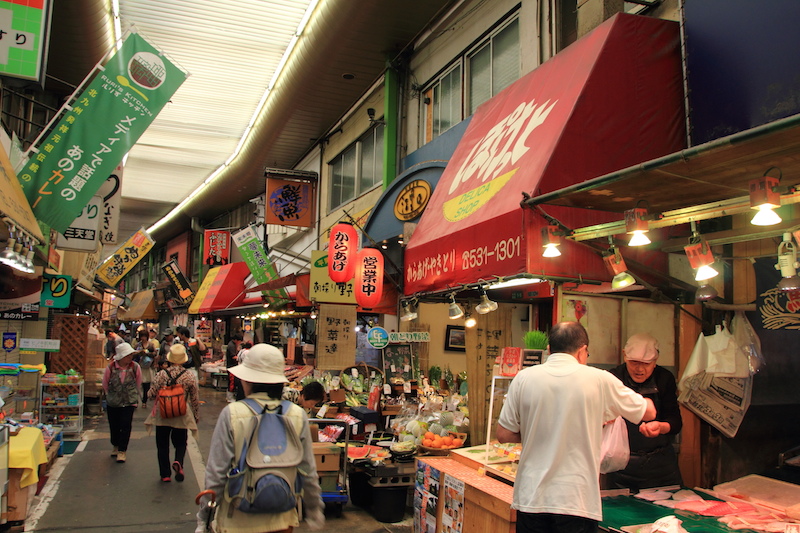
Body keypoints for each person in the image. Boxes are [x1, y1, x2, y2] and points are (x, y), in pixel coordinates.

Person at [496, 322, 656, 533]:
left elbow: (503, 434)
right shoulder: (600, 379)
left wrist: (539, 429)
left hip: (531, 498)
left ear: (549, 350)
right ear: (582, 351)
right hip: (576, 500)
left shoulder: (523, 378)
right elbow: (649, 412)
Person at [195, 343, 324, 533]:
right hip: (282, 521)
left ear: (247, 381)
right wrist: (314, 510)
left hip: (237, 521)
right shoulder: (297, 415)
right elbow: (307, 470)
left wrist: (204, 518)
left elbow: (216, 473)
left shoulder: (232, 414)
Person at [606, 333, 683, 491]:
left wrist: (661, 427)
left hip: (660, 465)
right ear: (625, 356)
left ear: (655, 362)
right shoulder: (613, 378)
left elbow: (675, 422)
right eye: (634, 362)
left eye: (646, 363)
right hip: (622, 466)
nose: (639, 369)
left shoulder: (665, 379)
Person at [145, 343, 200, 483]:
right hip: (181, 411)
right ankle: (178, 461)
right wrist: (196, 415)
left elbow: (150, 394)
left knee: (162, 444)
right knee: (181, 442)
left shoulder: (161, 374)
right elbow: (194, 398)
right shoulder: (189, 376)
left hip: (163, 412)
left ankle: (165, 474)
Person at [102, 342, 143, 463]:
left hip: (129, 401)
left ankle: (122, 450)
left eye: (130, 355)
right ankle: (115, 444)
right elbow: (105, 384)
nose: (130, 357)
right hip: (113, 402)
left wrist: (134, 396)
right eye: (127, 355)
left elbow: (138, 383)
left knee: (126, 425)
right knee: (114, 425)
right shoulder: (111, 368)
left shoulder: (135, 367)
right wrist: (110, 395)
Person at [135, 329, 158, 407]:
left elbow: (155, 354)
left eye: (144, 336)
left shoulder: (151, 345)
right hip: (139, 366)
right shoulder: (138, 345)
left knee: (146, 385)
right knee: (137, 385)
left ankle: (144, 401)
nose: (143, 338)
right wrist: (139, 353)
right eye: (142, 336)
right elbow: (133, 354)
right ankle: (137, 400)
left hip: (148, 367)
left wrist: (148, 353)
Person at [226, 334, 243, 402]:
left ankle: (230, 396)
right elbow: (233, 356)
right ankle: (229, 397)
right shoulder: (231, 345)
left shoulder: (233, 345)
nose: (239, 343)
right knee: (232, 382)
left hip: (233, 367)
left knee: (233, 382)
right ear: (236, 340)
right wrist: (240, 358)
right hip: (231, 367)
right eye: (239, 341)